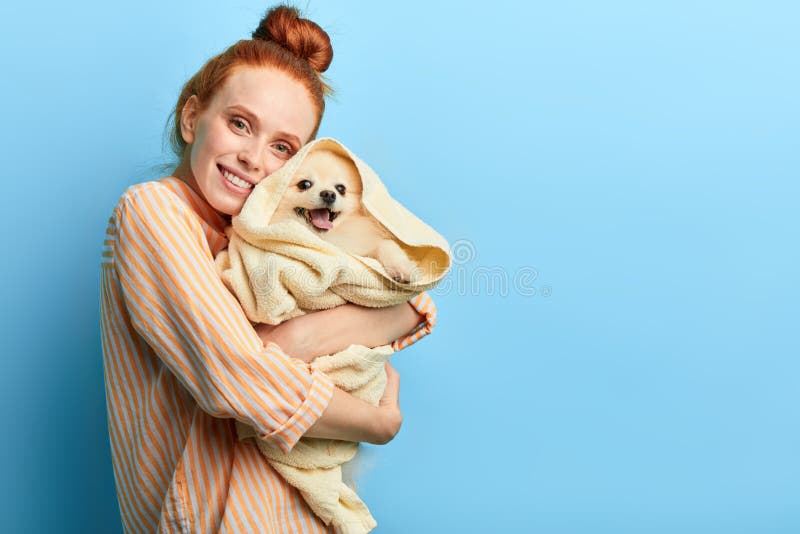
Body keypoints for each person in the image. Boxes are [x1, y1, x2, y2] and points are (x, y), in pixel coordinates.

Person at [99, 6, 436, 533]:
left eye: (282, 148)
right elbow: (233, 376)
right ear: (192, 118)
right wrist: (376, 422)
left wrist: (282, 339)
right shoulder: (153, 211)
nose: (254, 159)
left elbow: (410, 303)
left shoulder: (272, 241)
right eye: (240, 124)